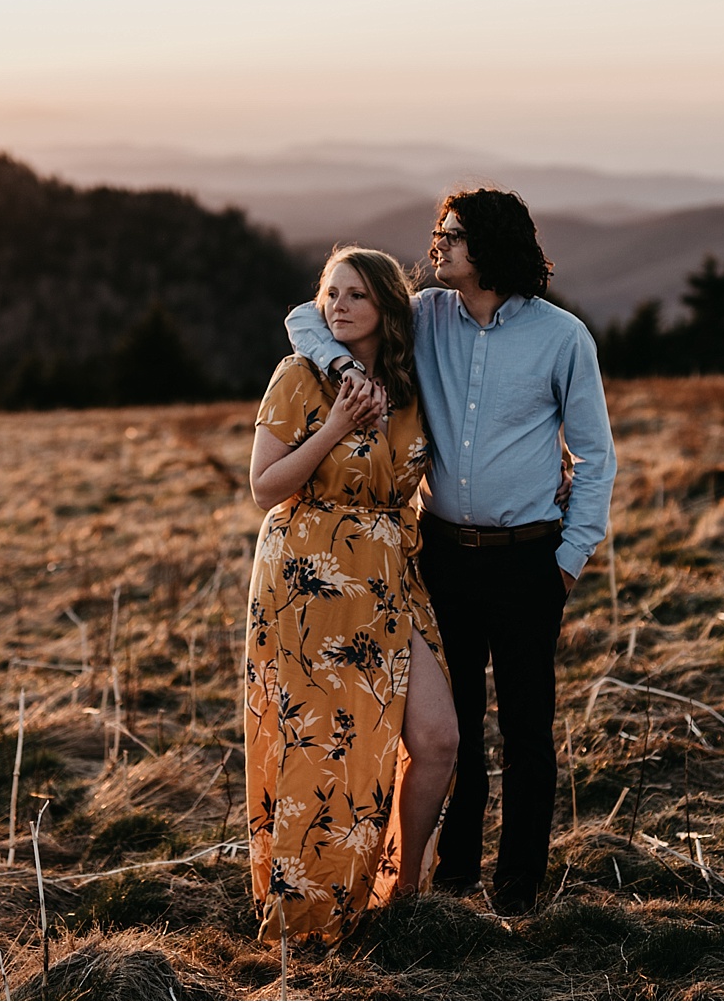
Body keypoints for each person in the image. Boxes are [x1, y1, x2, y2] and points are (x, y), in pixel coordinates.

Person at [286, 187, 616, 916]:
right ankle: (456, 877)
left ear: (491, 246)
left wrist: (569, 560)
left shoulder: (563, 338)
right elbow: (306, 315)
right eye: (438, 230)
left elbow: (594, 456)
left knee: (527, 728)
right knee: (454, 727)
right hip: (441, 554)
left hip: (531, 557)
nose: (437, 244)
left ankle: (520, 886)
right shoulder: (424, 314)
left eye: (453, 234)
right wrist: (340, 368)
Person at [244, 245, 459, 947]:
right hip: (308, 580)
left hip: (393, 576)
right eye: (331, 293)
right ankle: (309, 919)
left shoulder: (412, 379)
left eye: (356, 295)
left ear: (386, 309)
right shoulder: (299, 376)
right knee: (320, 751)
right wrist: (334, 424)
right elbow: (265, 486)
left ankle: (404, 891)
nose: (338, 306)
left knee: (437, 736)